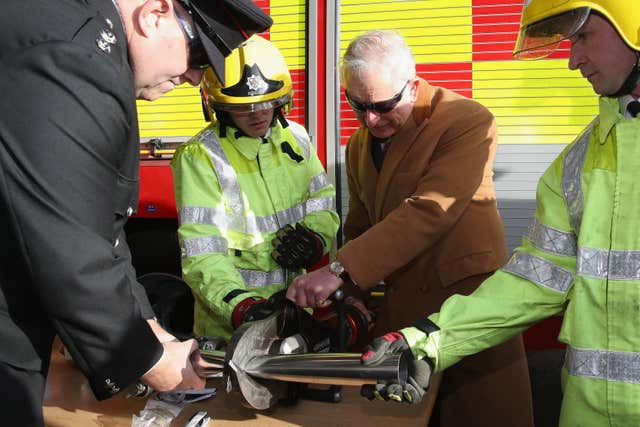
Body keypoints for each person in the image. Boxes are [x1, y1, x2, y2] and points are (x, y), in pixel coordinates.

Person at [359, 1, 640, 426]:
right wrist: (427, 341)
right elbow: (532, 281)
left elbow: (430, 212)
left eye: (582, 36)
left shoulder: (464, 122)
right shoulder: (577, 164)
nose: (572, 60)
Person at [0, 0, 271, 424]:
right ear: (155, 14)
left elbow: (101, 226)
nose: (195, 77)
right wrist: (149, 360)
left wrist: (150, 327)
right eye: (198, 55)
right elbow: (67, 246)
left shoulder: (84, 40)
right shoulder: (77, 58)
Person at [286, 30, 534, 426]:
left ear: (413, 85)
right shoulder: (357, 146)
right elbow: (361, 224)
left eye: (383, 105)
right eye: (357, 104)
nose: (370, 119)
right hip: (404, 319)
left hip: (468, 309)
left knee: (483, 414)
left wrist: (339, 271)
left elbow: (431, 210)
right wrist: (347, 292)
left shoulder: (467, 121)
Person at [171, 35, 339, 341]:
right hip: (231, 327)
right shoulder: (200, 157)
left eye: (265, 103)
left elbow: (322, 201)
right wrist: (240, 305)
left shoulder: (297, 138)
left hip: (295, 312)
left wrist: (316, 237)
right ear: (220, 108)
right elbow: (201, 250)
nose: (259, 114)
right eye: (244, 107)